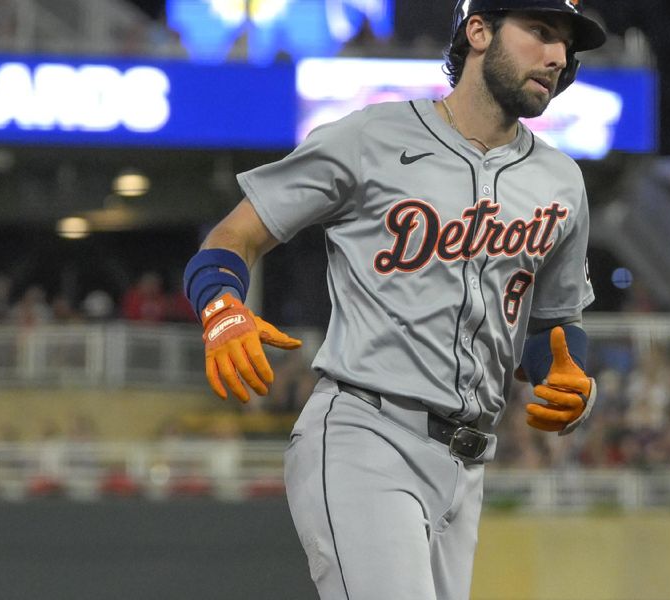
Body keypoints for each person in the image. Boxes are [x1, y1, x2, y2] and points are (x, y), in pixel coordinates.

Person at [183, 1, 605, 598]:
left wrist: (569, 373)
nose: (559, 57)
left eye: (567, 44)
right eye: (540, 32)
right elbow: (234, 235)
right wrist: (220, 306)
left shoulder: (562, 181)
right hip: (366, 434)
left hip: (468, 465)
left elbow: (555, 324)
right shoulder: (373, 136)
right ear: (478, 31)